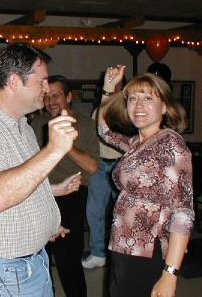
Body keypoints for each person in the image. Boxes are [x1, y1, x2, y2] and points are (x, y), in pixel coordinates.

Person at [0, 42, 80, 297]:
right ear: (13, 82)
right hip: (2, 268)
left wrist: (48, 211)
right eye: (42, 81)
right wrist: (53, 150)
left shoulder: (23, 127)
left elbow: (23, 181)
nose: (47, 88)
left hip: (29, 260)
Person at [98, 65, 194, 297]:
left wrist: (170, 274)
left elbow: (183, 212)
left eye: (148, 99)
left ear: (165, 107)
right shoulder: (136, 143)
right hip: (124, 245)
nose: (138, 106)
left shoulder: (169, 145)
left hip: (148, 251)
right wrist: (108, 89)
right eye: (132, 99)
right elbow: (105, 130)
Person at [31, 74, 99, 297]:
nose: (51, 101)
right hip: (41, 195)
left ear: (69, 97)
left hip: (72, 195)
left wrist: (65, 145)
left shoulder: (84, 123)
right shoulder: (38, 124)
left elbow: (92, 167)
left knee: (68, 260)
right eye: (47, 96)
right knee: (40, 259)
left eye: (57, 95)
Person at [82, 75, 124, 270]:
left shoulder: (129, 109)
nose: (115, 88)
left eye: (119, 85)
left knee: (123, 211)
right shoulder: (98, 110)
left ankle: (121, 252)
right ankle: (98, 252)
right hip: (100, 164)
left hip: (121, 164)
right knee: (94, 210)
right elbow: (94, 136)